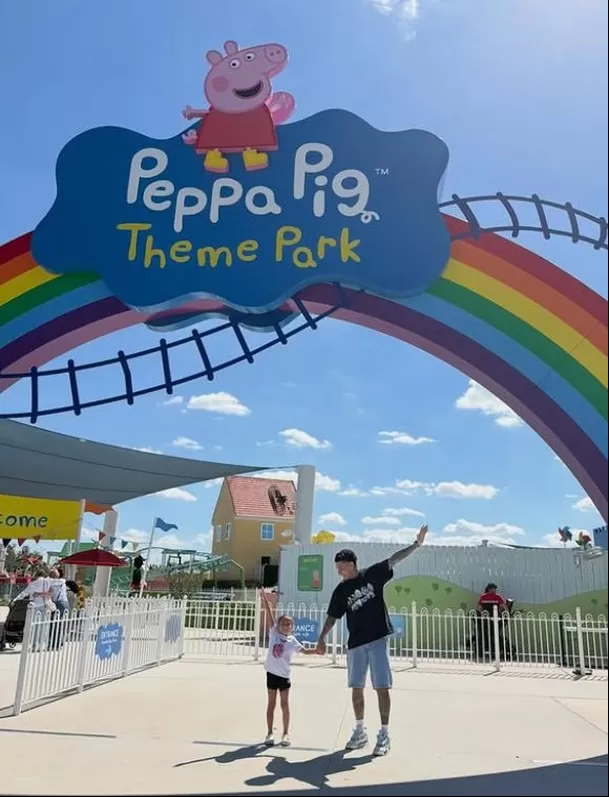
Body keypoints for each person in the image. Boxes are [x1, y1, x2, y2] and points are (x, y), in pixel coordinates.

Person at [316, 524, 428, 757]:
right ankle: (359, 732)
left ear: (352, 564)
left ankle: (384, 734)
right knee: (356, 689)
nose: (339, 571)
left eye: (341, 566)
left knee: (381, 687)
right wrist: (322, 638)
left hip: (377, 639)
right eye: (337, 567)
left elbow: (394, 559)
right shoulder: (341, 591)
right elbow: (332, 616)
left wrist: (416, 545)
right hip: (356, 644)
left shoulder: (371, 575)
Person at [263, 598, 319, 748]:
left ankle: (286, 733)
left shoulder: (292, 640)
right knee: (271, 703)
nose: (286, 626)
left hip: (284, 677)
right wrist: (266, 603)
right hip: (271, 675)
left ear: (292, 627)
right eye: (284, 623)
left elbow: (305, 651)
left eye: (289, 624)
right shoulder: (274, 633)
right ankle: (269, 732)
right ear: (278, 625)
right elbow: (270, 617)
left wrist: (317, 651)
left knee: (284, 704)